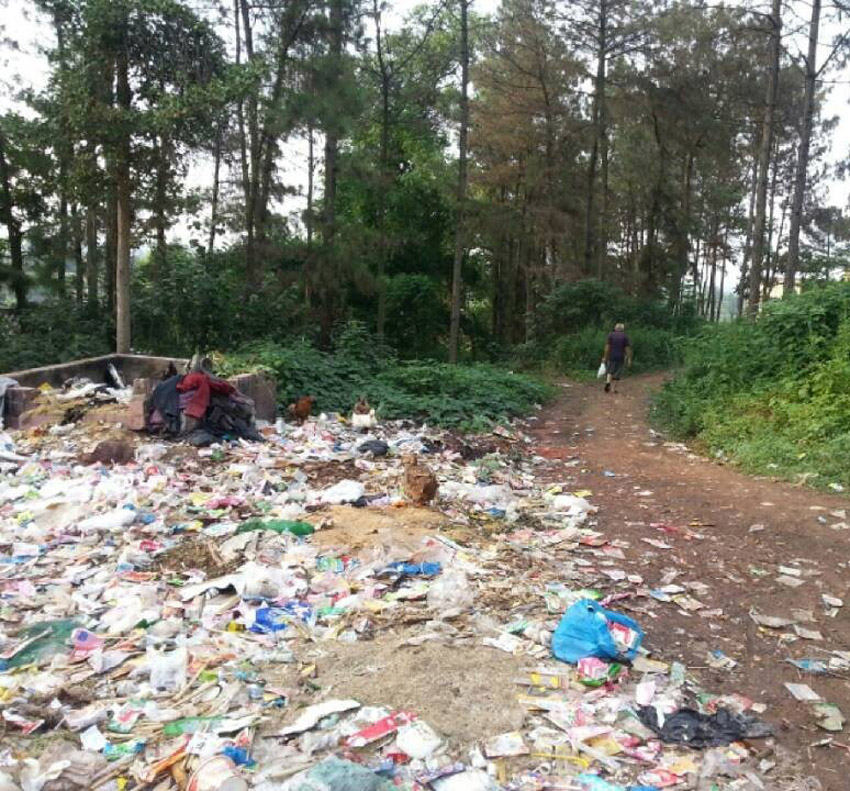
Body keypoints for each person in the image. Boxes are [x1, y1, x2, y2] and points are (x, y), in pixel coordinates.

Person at [602, 322, 632, 393]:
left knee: (610, 371)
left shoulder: (611, 335)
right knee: (618, 373)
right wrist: (629, 358)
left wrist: (605, 357)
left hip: (611, 356)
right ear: (622, 329)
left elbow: (607, 347)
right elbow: (627, 348)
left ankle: (608, 382)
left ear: (615, 328)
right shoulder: (625, 336)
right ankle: (613, 389)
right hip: (620, 357)